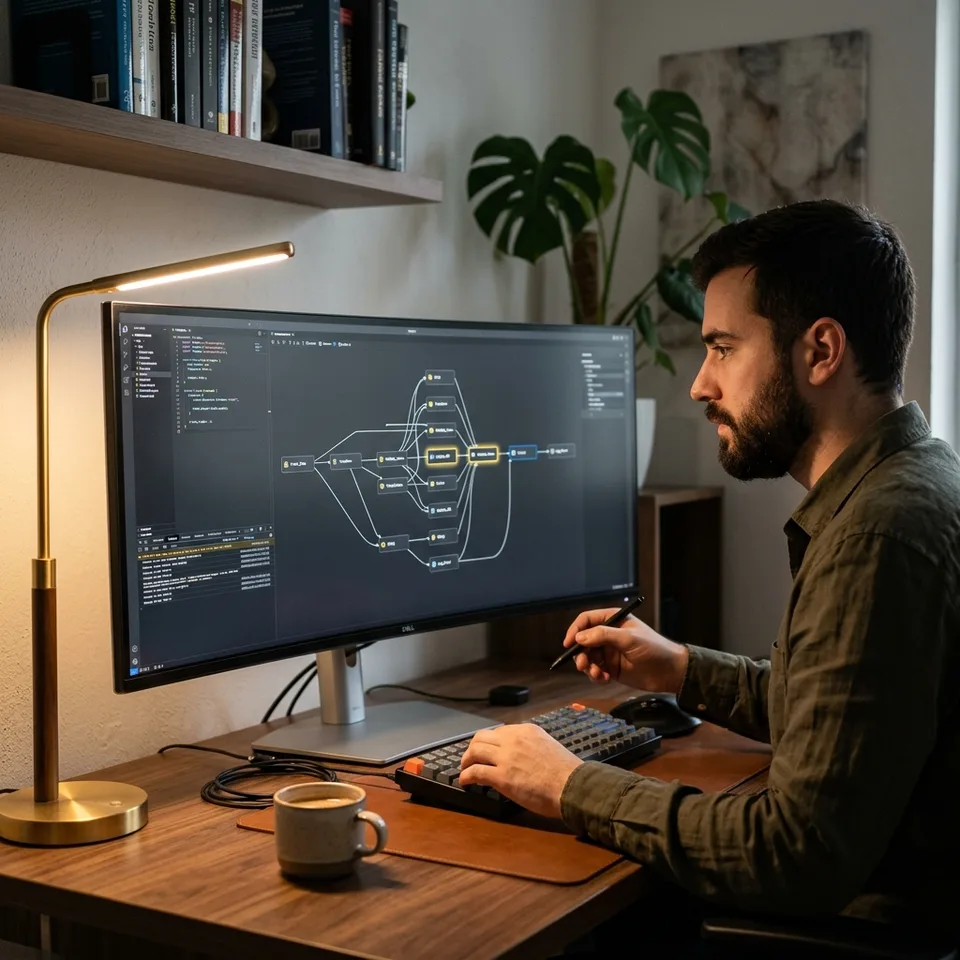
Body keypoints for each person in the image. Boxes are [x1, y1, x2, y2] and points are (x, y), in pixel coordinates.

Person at [458, 199, 960, 943]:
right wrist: (681, 669)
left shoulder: (876, 534)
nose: (699, 384)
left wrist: (568, 783)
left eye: (723, 347)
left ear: (820, 351)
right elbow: (840, 718)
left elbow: (795, 854)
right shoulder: (918, 477)